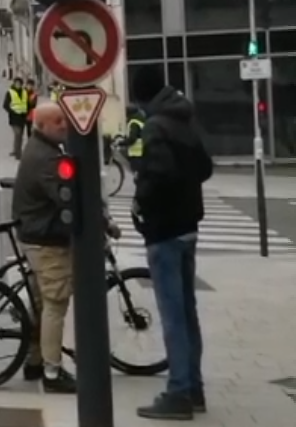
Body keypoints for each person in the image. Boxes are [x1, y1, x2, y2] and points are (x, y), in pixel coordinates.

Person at [129, 67, 212, 420]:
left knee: (173, 315)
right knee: (187, 312)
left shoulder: (156, 126)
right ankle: (194, 388)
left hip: (164, 230)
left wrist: (141, 205)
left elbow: (157, 175)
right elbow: (205, 167)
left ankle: (178, 393)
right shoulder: (185, 119)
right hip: (189, 225)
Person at [10, 101, 78, 393]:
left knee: (39, 302)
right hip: (45, 239)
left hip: (32, 232)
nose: (64, 124)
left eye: (64, 119)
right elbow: (67, 197)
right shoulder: (47, 158)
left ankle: (34, 360)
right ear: (42, 126)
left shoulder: (39, 148)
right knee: (55, 303)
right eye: (58, 121)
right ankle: (52, 371)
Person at [3, 77, 30, 159]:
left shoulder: (25, 92)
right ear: (14, 84)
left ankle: (16, 150)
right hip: (14, 117)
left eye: (19, 83)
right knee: (18, 134)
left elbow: (28, 103)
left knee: (20, 135)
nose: (18, 85)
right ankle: (18, 153)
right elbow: (5, 105)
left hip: (22, 117)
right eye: (16, 83)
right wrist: (12, 111)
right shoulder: (10, 92)